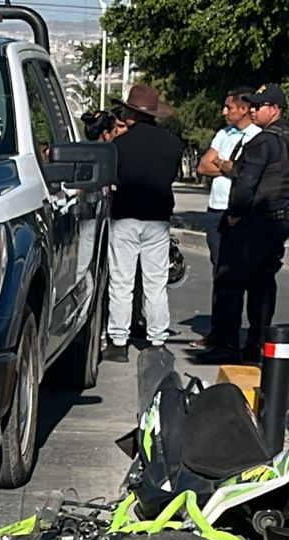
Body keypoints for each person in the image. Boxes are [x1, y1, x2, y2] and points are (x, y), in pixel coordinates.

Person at [195, 83, 289, 365]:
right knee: (262, 284)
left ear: (275, 109)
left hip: (253, 222)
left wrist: (234, 212)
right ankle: (257, 344)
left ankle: (226, 345)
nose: (254, 110)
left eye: (259, 106)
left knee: (229, 281)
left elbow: (246, 183)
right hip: (278, 220)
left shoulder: (263, 141)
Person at [102, 84, 183, 363]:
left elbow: (110, 181)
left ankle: (118, 341)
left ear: (131, 113)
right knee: (156, 283)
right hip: (158, 220)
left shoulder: (119, 146)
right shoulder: (173, 143)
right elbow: (169, 176)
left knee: (122, 282)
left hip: (125, 218)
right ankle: (157, 340)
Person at [194, 88, 260, 275]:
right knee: (218, 265)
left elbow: (245, 172)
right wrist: (227, 166)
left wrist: (222, 163)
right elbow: (203, 166)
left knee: (236, 269)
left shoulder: (257, 136)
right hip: (216, 209)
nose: (224, 112)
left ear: (244, 109)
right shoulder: (224, 134)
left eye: (228, 107)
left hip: (240, 210)